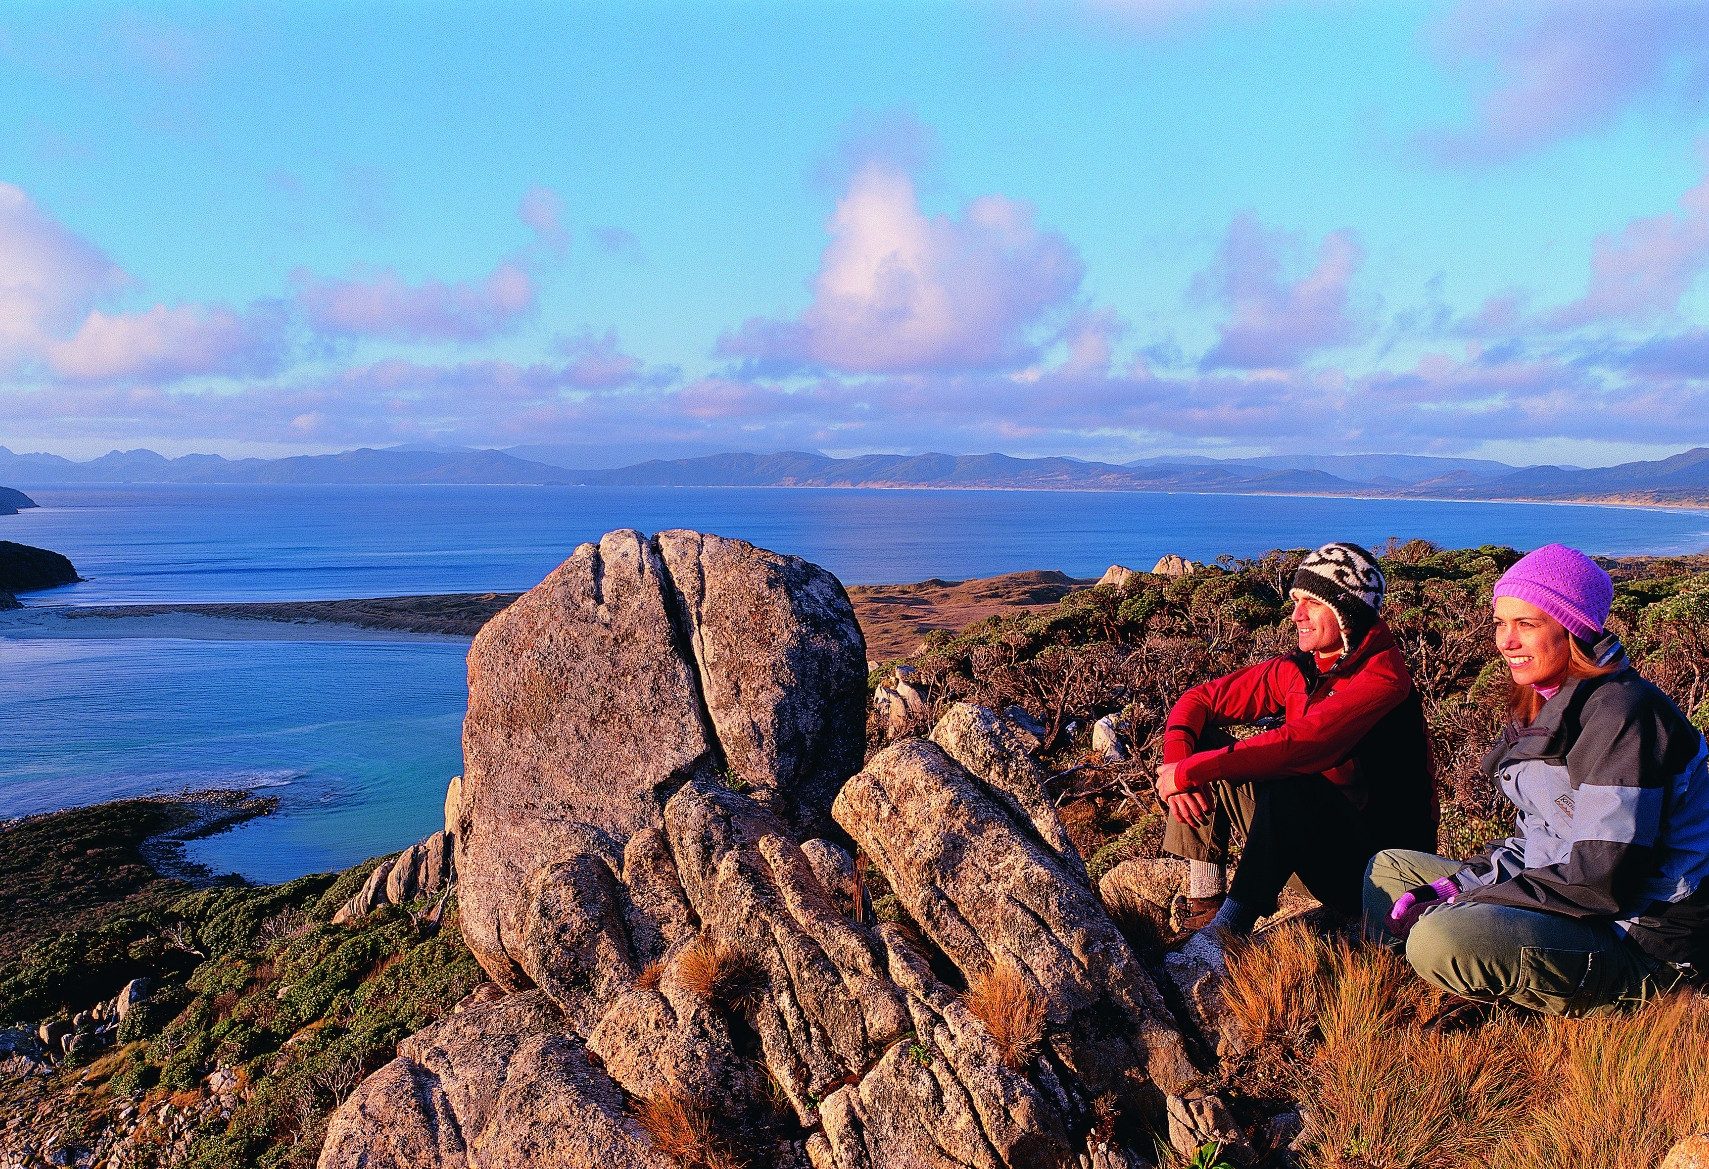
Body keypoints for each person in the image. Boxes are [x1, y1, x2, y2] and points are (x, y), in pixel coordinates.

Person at [1364, 543, 1709, 1015]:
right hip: (1573, 901)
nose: (1506, 641)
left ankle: (1482, 976)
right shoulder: (1551, 703)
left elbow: (1600, 881)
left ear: (1573, 630)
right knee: (1390, 870)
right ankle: (1468, 972)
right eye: (1500, 623)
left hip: (1640, 940)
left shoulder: (1622, 715)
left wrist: (1468, 903)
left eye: (1526, 624)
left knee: (1440, 935)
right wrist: (1449, 889)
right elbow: (1539, 841)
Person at [1156, 542, 1437, 959]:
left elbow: (1302, 746)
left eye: (1311, 603)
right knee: (1203, 744)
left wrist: (1187, 773)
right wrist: (1179, 762)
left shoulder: (1383, 680)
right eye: (1295, 601)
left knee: (1290, 785)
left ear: (1346, 613)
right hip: (1310, 841)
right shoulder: (1304, 666)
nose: (1296, 615)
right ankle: (1207, 902)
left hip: (1376, 874)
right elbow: (1199, 700)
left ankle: (1227, 933)